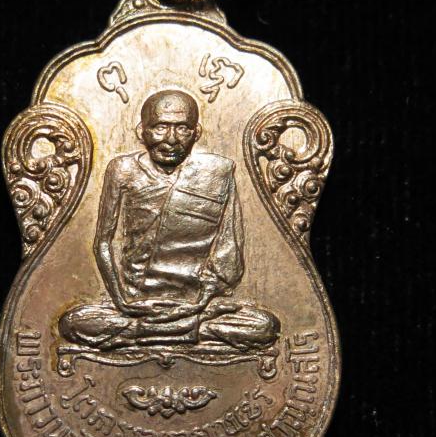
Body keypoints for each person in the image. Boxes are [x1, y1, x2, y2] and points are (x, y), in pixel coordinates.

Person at [59, 89, 279, 351]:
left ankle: (145, 332)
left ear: (196, 133)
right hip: (136, 301)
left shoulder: (218, 172)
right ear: (142, 131)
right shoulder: (122, 169)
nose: (171, 139)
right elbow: (103, 243)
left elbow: (229, 247)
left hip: (198, 302)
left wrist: (202, 302)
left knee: (265, 326)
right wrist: (122, 301)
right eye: (160, 127)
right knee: (72, 323)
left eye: (182, 128)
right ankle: (190, 331)